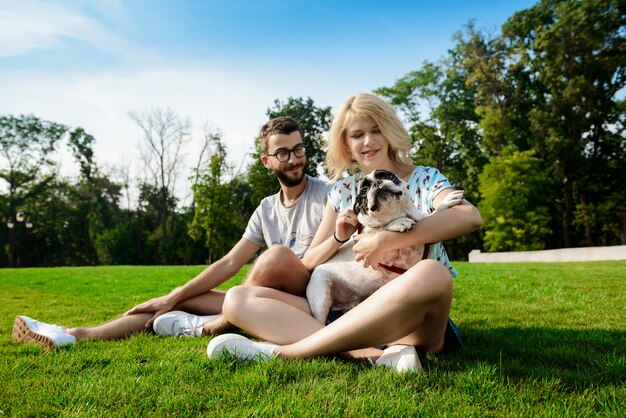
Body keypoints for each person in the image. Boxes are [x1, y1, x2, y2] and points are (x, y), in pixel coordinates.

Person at [206, 93, 483, 372]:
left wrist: (387, 239)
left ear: (389, 132)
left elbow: (468, 217)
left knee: (431, 273)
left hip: (408, 319)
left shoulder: (424, 178)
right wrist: (339, 237)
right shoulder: (341, 192)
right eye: (357, 135)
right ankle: (371, 355)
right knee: (238, 298)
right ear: (346, 145)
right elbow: (309, 262)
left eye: (376, 130)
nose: (368, 141)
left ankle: (284, 353)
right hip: (345, 312)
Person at [12, 116, 328, 349]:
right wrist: (174, 296)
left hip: (305, 304)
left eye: (298, 149)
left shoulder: (327, 195)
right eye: (283, 153)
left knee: (275, 258)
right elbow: (230, 263)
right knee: (172, 304)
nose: (294, 159)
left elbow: (314, 263)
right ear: (267, 161)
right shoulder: (266, 209)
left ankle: (221, 322)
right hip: (259, 299)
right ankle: (72, 334)